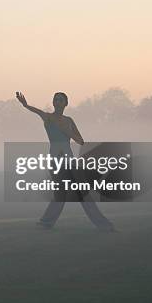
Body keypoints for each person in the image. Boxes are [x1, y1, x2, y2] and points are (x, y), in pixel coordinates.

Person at [16, 91, 116, 231]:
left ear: (65, 103)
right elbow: (36, 111)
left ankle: (104, 225)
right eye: (55, 100)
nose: (57, 102)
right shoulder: (48, 118)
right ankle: (46, 223)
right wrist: (25, 105)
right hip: (55, 162)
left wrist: (66, 131)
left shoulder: (69, 120)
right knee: (60, 195)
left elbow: (80, 141)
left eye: (60, 100)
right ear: (53, 103)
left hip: (70, 161)